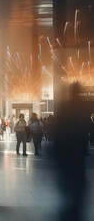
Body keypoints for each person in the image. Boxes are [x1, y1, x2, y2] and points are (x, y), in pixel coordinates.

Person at [53, 82, 91, 221]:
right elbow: (88, 126)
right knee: (78, 182)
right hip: (78, 150)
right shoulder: (83, 107)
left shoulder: (65, 106)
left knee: (67, 181)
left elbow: (57, 129)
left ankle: (70, 209)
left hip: (65, 150)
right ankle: (74, 209)